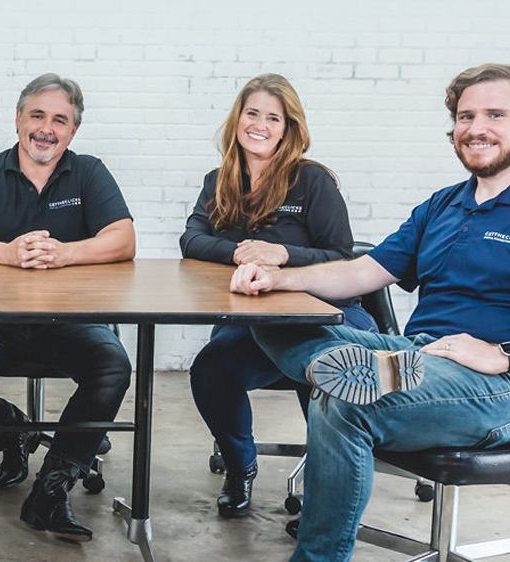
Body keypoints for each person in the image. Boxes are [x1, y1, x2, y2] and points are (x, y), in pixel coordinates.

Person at [229, 63, 510, 562]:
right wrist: (278, 280)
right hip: (418, 355)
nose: (476, 128)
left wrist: (502, 355)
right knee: (270, 316)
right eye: (466, 116)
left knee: (347, 404)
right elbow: (361, 272)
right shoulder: (444, 206)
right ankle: (335, 368)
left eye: (495, 114)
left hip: (507, 385)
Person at [0, 73, 134, 543]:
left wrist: (65, 253)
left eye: (60, 120)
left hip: (69, 320)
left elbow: (123, 239)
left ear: (73, 130)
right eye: (37, 115)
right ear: (18, 118)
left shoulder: (89, 171)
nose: (46, 129)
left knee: (114, 365)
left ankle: (51, 491)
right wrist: (8, 252)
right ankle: (12, 428)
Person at [179, 74, 376, 518]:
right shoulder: (219, 180)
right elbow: (191, 240)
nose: (260, 125)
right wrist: (240, 253)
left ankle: (325, 490)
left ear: (288, 128)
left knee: (321, 371)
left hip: (323, 317)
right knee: (210, 371)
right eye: (252, 114)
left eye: (273, 118)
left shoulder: (312, 181)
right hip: (255, 323)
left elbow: (341, 256)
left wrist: (283, 254)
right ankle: (239, 468)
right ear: (238, 119)